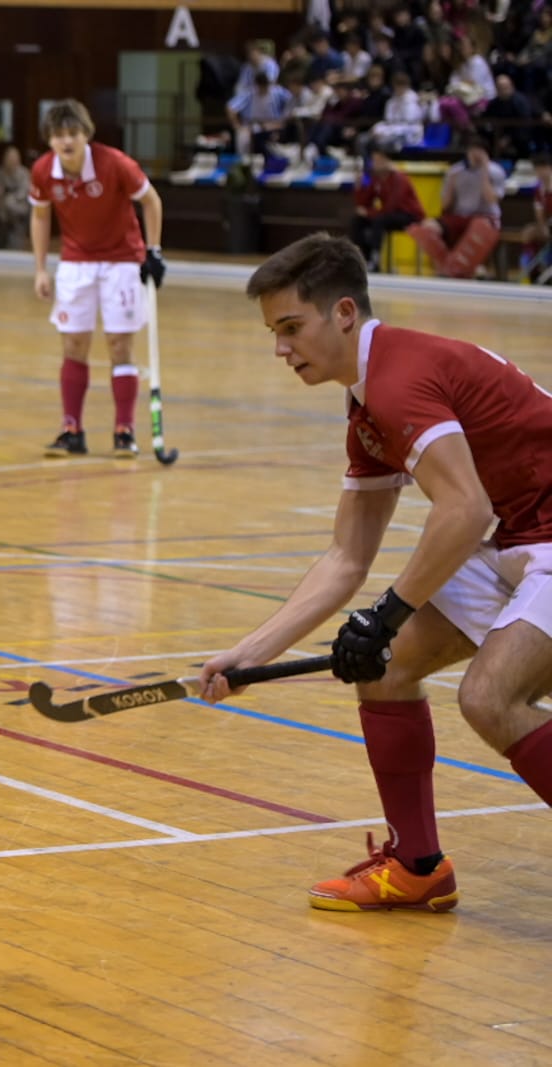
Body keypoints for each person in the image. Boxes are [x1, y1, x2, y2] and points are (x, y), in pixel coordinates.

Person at [201, 232, 552, 912]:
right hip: (524, 537)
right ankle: (417, 864)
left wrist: (384, 613)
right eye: (274, 332)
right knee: (384, 666)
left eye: (290, 327)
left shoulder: (396, 381)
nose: (280, 348)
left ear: (342, 313)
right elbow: (346, 558)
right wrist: (247, 655)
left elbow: (463, 510)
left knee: (488, 697)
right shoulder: (366, 405)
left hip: (538, 536)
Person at [29, 99, 164, 460]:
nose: (66, 142)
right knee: (73, 346)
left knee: (120, 346)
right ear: (49, 140)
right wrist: (41, 268)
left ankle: (124, 430)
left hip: (122, 261)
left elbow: (151, 201)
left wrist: (154, 251)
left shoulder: (115, 163)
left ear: (86, 134)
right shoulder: (43, 171)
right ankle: (71, 429)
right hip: (76, 265)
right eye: (58, 136)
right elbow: (40, 217)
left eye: (73, 134)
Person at [407, 136, 506, 277]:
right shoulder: (455, 171)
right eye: (472, 150)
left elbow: (492, 200)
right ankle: (448, 266)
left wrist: (484, 172)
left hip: (486, 217)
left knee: (478, 227)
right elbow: (446, 205)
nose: (474, 154)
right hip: (461, 215)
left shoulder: (495, 171)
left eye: (478, 151)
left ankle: (460, 268)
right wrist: (452, 183)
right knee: (427, 227)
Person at [351, 144, 426, 271]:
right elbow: (363, 203)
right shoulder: (376, 178)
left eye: (379, 160)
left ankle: (375, 260)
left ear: (388, 161)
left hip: (409, 215)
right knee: (358, 220)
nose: (375, 163)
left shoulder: (399, 178)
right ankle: (362, 258)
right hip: (390, 215)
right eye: (374, 160)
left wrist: (368, 213)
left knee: (379, 220)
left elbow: (392, 206)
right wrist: (358, 188)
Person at [0, 145, 31, 249]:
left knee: (11, 204)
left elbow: (25, 191)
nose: (12, 161)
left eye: (14, 158)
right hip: (1, 209)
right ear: (4, 159)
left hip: (19, 208)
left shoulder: (24, 173)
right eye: (9, 158)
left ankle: (14, 237)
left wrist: (11, 199)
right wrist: (2, 201)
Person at [519, 154, 552, 283]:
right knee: (528, 232)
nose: (540, 173)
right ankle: (532, 272)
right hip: (549, 226)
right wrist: (543, 227)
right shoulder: (539, 189)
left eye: (543, 168)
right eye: (537, 169)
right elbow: (539, 212)